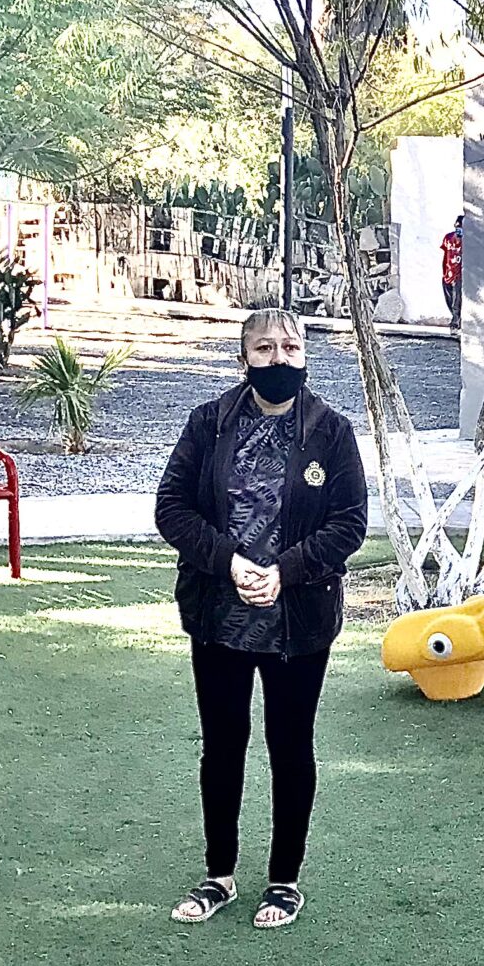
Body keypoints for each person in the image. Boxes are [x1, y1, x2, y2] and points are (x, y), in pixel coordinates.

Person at [154, 308, 368, 930]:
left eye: (291, 347)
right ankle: (218, 876)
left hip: (298, 619)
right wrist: (229, 562)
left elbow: (349, 523)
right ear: (243, 357)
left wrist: (285, 571)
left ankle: (283, 882)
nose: (279, 358)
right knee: (222, 746)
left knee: (290, 747)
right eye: (265, 347)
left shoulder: (331, 431)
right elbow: (172, 508)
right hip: (218, 615)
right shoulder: (209, 423)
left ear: (305, 356)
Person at [440, 215, 463, 326]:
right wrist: (444, 271)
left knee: (456, 299)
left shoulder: (466, 242)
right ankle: (455, 317)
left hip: (458, 274)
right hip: (448, 272)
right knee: (448, 298)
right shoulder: (448, 238)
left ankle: (456, 320)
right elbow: (445, 255)